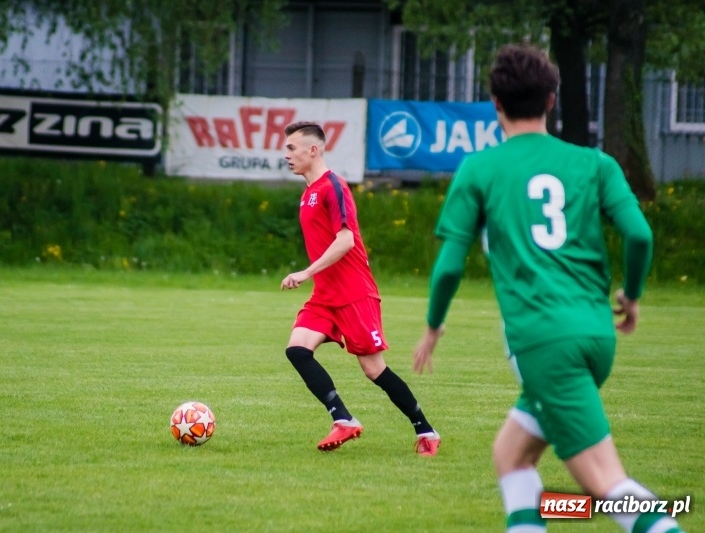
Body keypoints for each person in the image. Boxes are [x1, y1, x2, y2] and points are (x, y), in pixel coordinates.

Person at [413, 44, 684, 533]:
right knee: (511, 456)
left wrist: (433, 326)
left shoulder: (479, 169)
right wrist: (634, 294)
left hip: (543, 341)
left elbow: (449, 267)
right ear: (552, 100)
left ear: (495, 102)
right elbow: (640, 234)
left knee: (605, 485)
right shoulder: (594, 164)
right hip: (595, 334)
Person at [280, 121, 440, 456]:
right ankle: (343, 419)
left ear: (314, 150)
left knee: (373, 369)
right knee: (297, 349)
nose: (286, 155)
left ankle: (426, 429)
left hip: (355, 294)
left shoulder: (333, 187)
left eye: (292, 148)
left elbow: (346, 240)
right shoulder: (307, 193)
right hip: (325, 297)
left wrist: (306, 272)